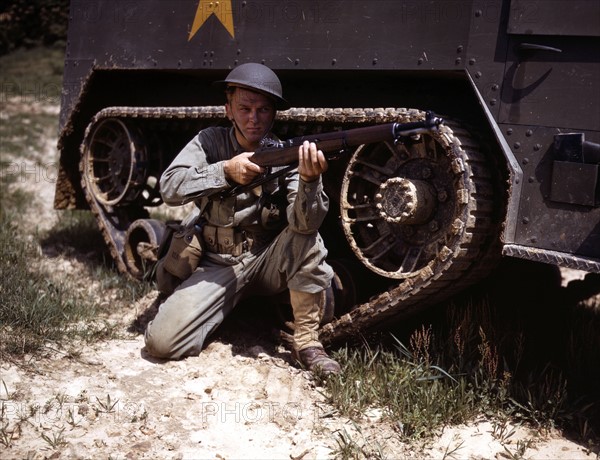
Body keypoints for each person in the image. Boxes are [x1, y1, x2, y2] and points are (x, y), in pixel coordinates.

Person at [144, 63, 341, 375]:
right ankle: (222, 307)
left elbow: (305, 224)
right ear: (228, 110)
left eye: (263, 110)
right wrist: (224, 171)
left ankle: (307, 343)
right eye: (245, 108)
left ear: (274, 113)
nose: (254, 118)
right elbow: (170, 187)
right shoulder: (209, 142)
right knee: (160, 343)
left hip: (265, 260)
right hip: (215, 262)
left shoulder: (283, 154)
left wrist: (309, 182)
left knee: (306, 237)